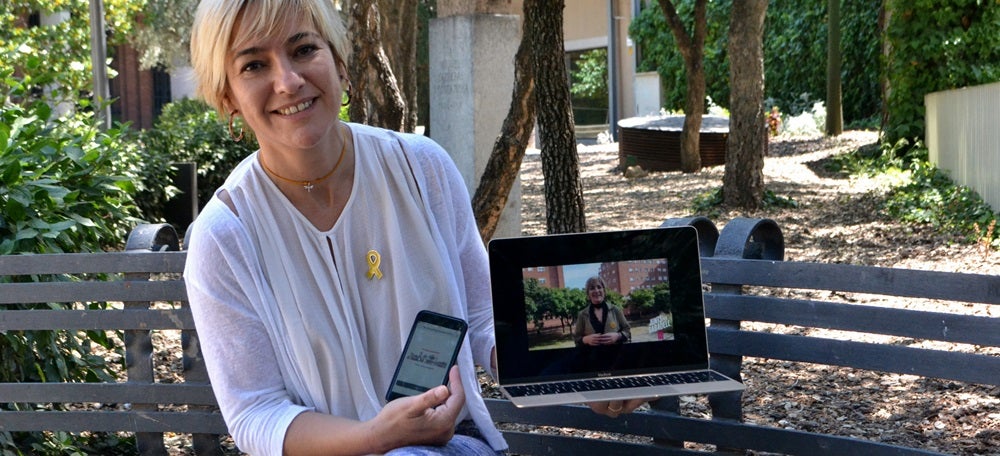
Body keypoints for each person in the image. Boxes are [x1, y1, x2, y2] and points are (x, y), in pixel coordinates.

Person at [183, 0, 506, 454]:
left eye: (303, 49)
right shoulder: (224, 236)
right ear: (228, 97)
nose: (288, 81)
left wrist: (577, 374)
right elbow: (255, 413)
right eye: (254, 64)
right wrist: (377, 437)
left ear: (338, 60)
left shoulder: (422, 169)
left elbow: (485, 321)